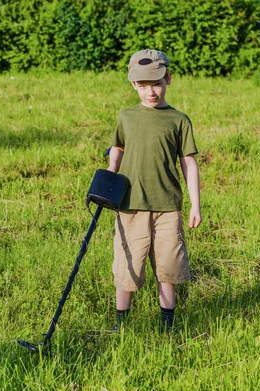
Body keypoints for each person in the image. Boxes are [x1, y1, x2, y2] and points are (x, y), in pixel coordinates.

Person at [106, 49, 202, 332]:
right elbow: (118, 147)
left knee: (168, 266)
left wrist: (195, 205)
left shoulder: (178, 120)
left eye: (156, 83)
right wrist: (110, 173)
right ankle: (120, 323)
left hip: (167, 206)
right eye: (143, 85)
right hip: (130, 204)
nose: (151, 91)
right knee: (128, 264)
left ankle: (167, 324)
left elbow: (189, 163)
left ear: (168, 79)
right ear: (134, 84)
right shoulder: (126, 117)